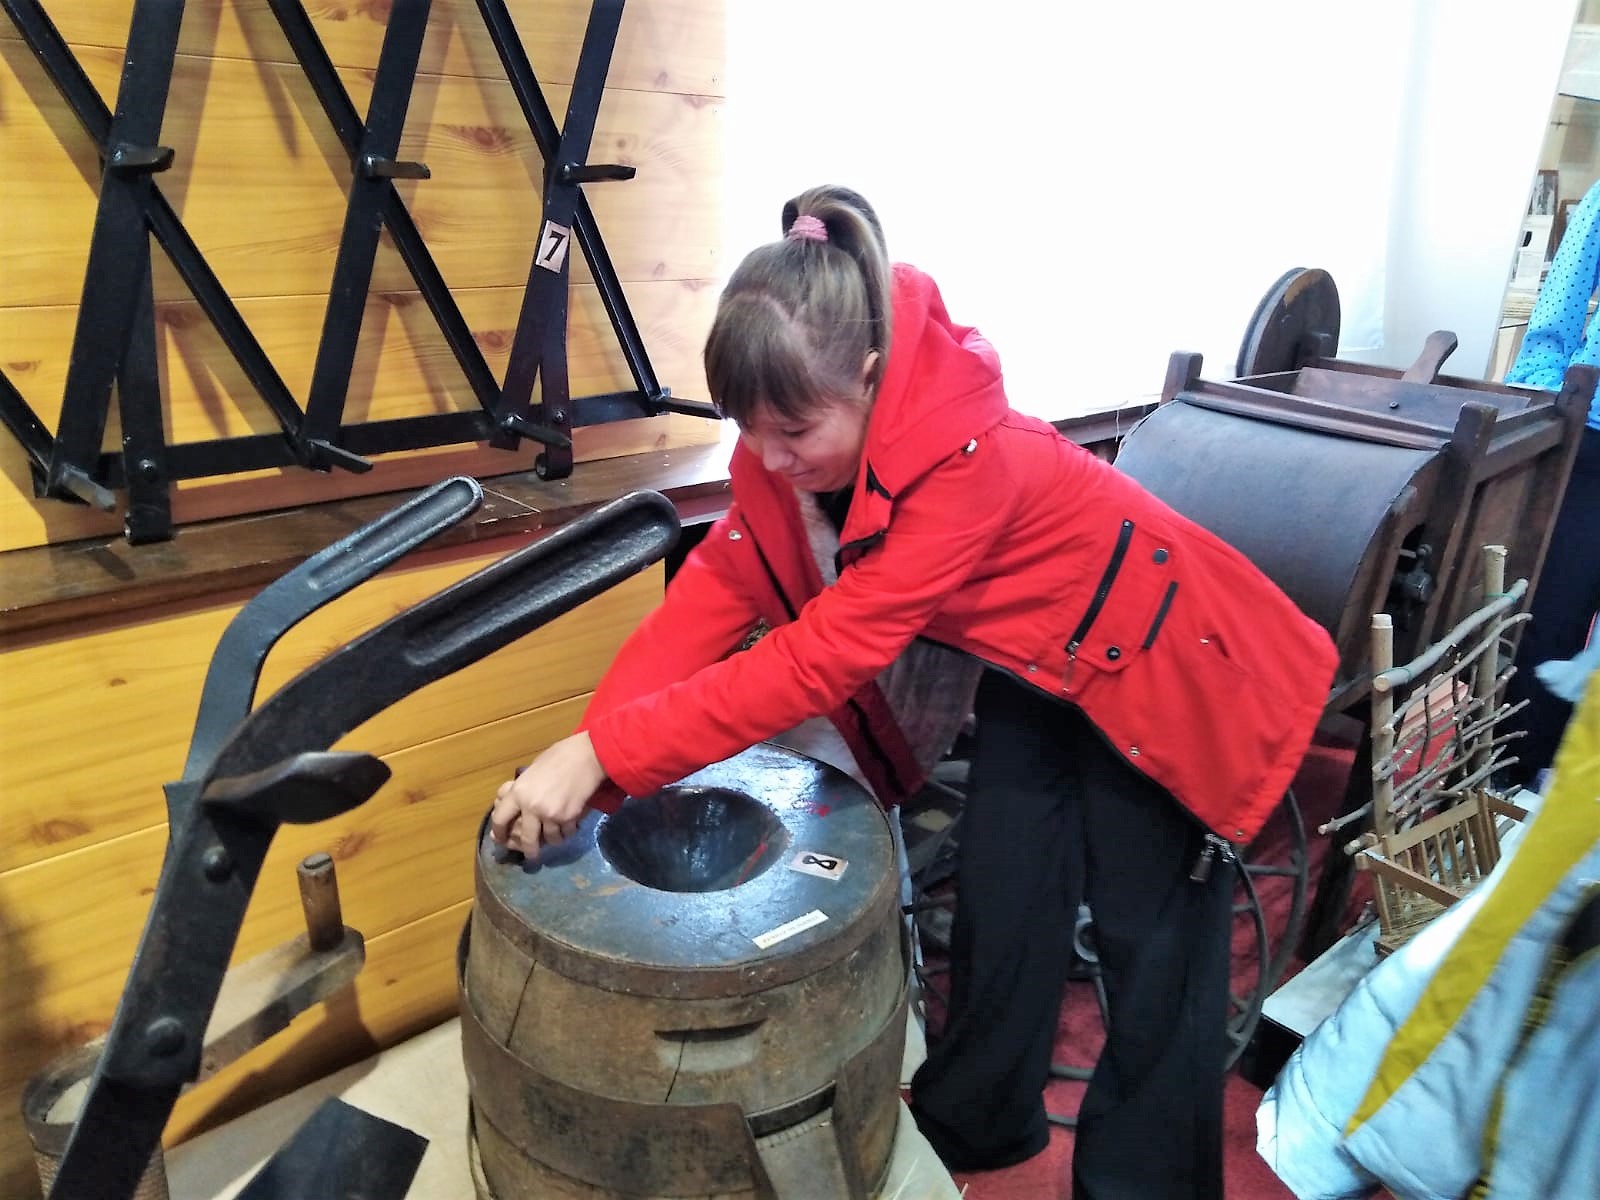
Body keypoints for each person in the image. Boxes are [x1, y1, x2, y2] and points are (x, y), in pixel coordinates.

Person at [489, 184, 1339, 1198]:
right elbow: (718, 587)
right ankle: (978, 1118)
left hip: (1167, 654)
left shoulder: (962, 457)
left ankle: (1142, 1185)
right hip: (1039, 659)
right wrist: (589, 758)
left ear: (870, 377)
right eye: (747, 431)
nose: (769, 459)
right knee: (1006, 893)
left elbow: (817, 658)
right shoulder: (786, 435)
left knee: (1153, 945)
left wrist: (601, 756)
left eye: (793, 432)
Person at [1501, 176, 1600, 793]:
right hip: (1594, 431)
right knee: (1554, 616)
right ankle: (1513, 778)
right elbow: (1558, 309)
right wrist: (1546, 409)